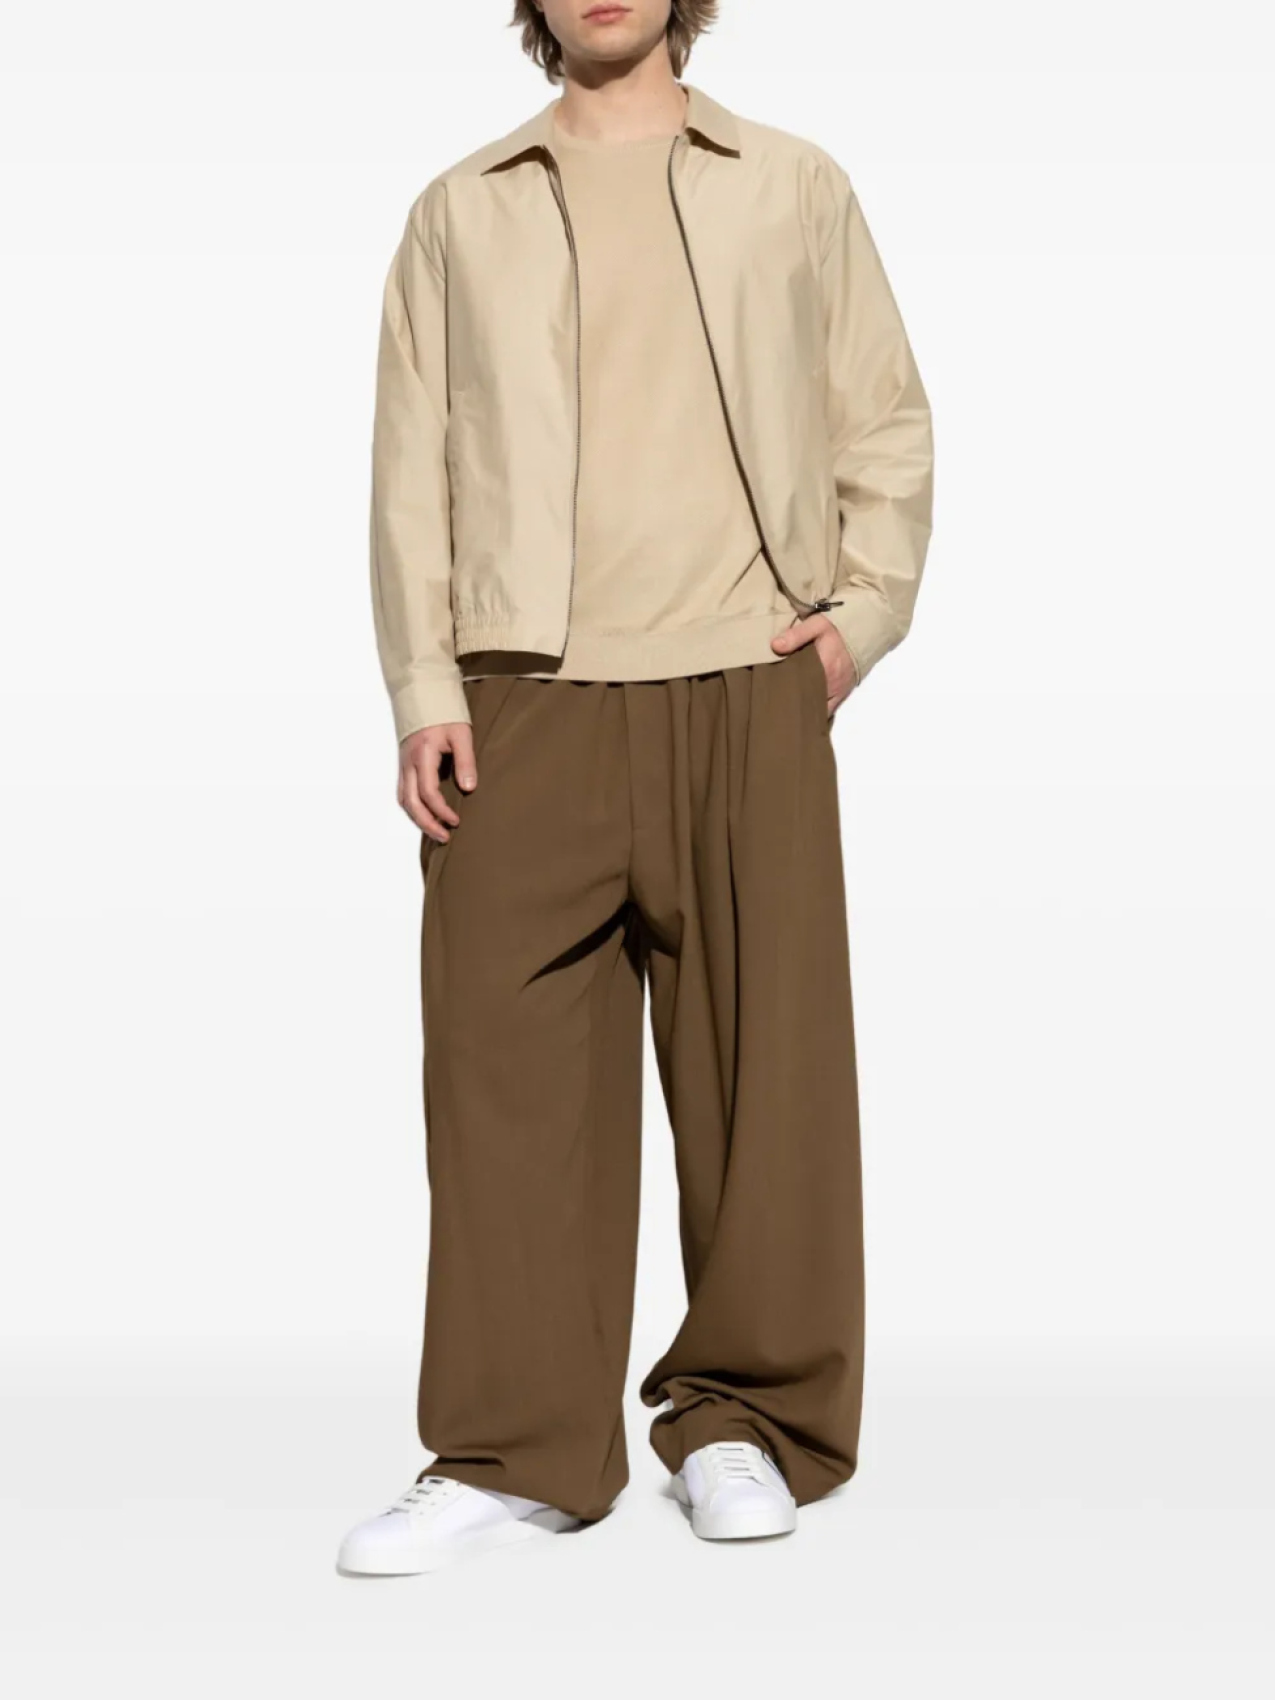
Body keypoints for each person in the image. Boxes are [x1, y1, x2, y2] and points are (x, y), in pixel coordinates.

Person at [338, 0, 933, 1576]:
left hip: (744, 680)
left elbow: (882, 414)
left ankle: (748, 1421)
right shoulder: (461, 210)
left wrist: (861, 618)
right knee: (502, 1088)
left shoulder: (791, 183)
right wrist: (422, 686)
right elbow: (410, 469)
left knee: (766, 1086)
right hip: (519, 698)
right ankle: (512, 1450)